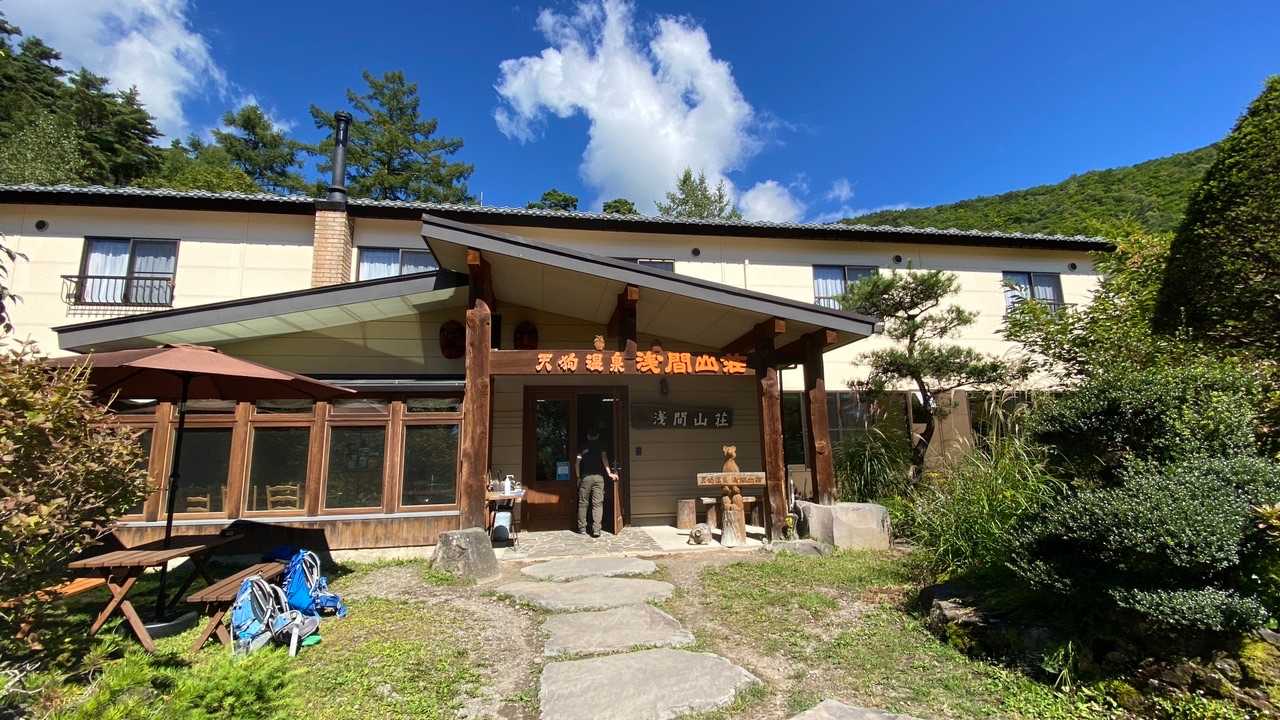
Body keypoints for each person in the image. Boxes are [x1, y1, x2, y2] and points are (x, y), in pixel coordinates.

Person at [576, 430, 617, 537]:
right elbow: (604, 459)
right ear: (598, 435)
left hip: (585, 477)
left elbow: (577, 462)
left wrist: (578, 477)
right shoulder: (601, 446)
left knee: (583, 503)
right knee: (598, 504)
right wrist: (609, 473)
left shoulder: (582, 447)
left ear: (588, 435)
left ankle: (582, 528)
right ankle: (597, 530)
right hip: (599, 478)